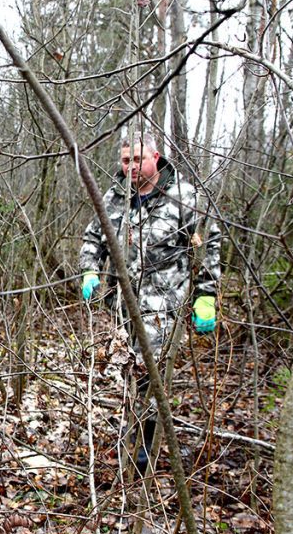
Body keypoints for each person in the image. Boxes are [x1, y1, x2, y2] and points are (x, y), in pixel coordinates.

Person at [79, 131, 221, 474]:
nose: (131, 167)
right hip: (123, 305)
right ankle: (134, 434)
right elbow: (93, 236)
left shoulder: (184, 197)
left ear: (155, 158)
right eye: (125, 161)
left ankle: (147, 448)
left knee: (152, 375)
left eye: (137, 160)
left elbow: (208, 245)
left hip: (165, 306)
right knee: (129, 372)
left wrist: (206, 296)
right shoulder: (114, 197)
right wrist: (89, 269)